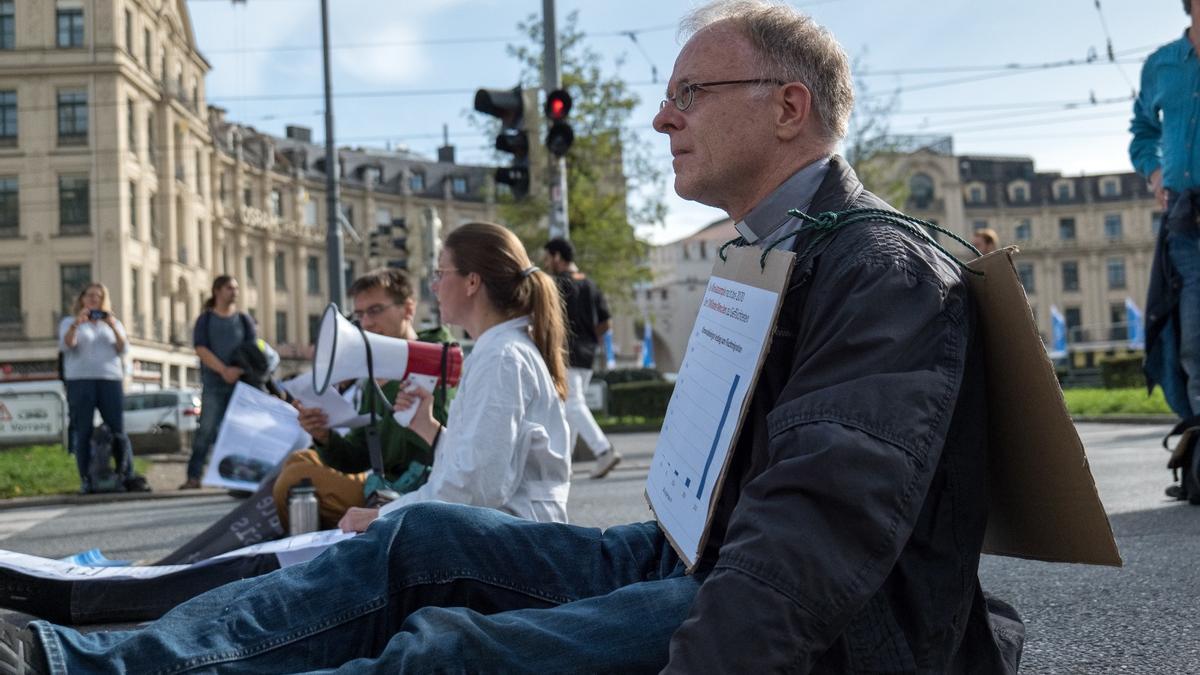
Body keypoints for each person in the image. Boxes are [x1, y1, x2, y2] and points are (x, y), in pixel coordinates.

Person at [3, 3, 1021, 672]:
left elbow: (819, 534)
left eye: (690, 95)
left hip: (834, 632)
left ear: (790, 107)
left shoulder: (880, 268)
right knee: (418, 537)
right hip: (700, 557)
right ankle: (68, 661)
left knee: (444, 653)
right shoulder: (780, 252)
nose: (664, 119)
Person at [337, 222, 572, 533]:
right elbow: (481, 467)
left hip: (514, 546)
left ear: (472, 281)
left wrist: (381, 517)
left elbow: (475, 489)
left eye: (440, 273)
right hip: (515, 538)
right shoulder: (498, 351)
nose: (434, 286)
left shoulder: (501, 357)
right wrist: (429, 427)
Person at [278, 268, 454, 530]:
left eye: (375, 310)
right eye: (360, 314)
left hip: (414, 489)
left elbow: (430, 443)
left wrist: (395, 385)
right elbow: (360, 456)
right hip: (385, 483)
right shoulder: (375, 373)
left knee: (295, 478)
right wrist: (324, 435)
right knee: (300, 459)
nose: (366, 323)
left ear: (407, 309)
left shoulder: (440, 360)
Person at [1135, 0, 1200, 422]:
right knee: (1193, 341)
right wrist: (1156, 173)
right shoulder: (1162, 65)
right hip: (1186, 223)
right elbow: (1143, 132)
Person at [543, 237, 623, 479]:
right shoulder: (590, 284)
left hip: (566, 351)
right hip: (588, 354)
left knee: (572, 404)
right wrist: (589, 340)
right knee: (570, 410)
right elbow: (606, 322)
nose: (546, 262)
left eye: (548, 257)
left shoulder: (556, 284)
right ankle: (563, 465)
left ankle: (604, 450)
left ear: (557, 257)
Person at [180, 275, 255, 489]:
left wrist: (238, 370)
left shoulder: (243, 320)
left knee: (239, 431)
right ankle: (194, 476)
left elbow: (253, 351)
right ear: (217, 291)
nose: (235, 292)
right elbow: (201, 349)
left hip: (240, 384)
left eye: (236, 288)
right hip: (213, 383)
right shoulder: (205, 319)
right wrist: (223, 370)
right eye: (230, 288)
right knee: (206, 430)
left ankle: (237, 477)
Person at [57, 283, 132, 494]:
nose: (94, 300)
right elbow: (66, 345)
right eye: (90, 296)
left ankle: (125, 475)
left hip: (110, 379)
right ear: (82, 299)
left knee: (118, 430)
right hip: (80, 381)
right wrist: (77, 325)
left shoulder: (114, 322)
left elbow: (123, 348)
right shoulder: (69, 322)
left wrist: (111, 324)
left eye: (98, 297)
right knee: (83, 430)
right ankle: (86, 479)